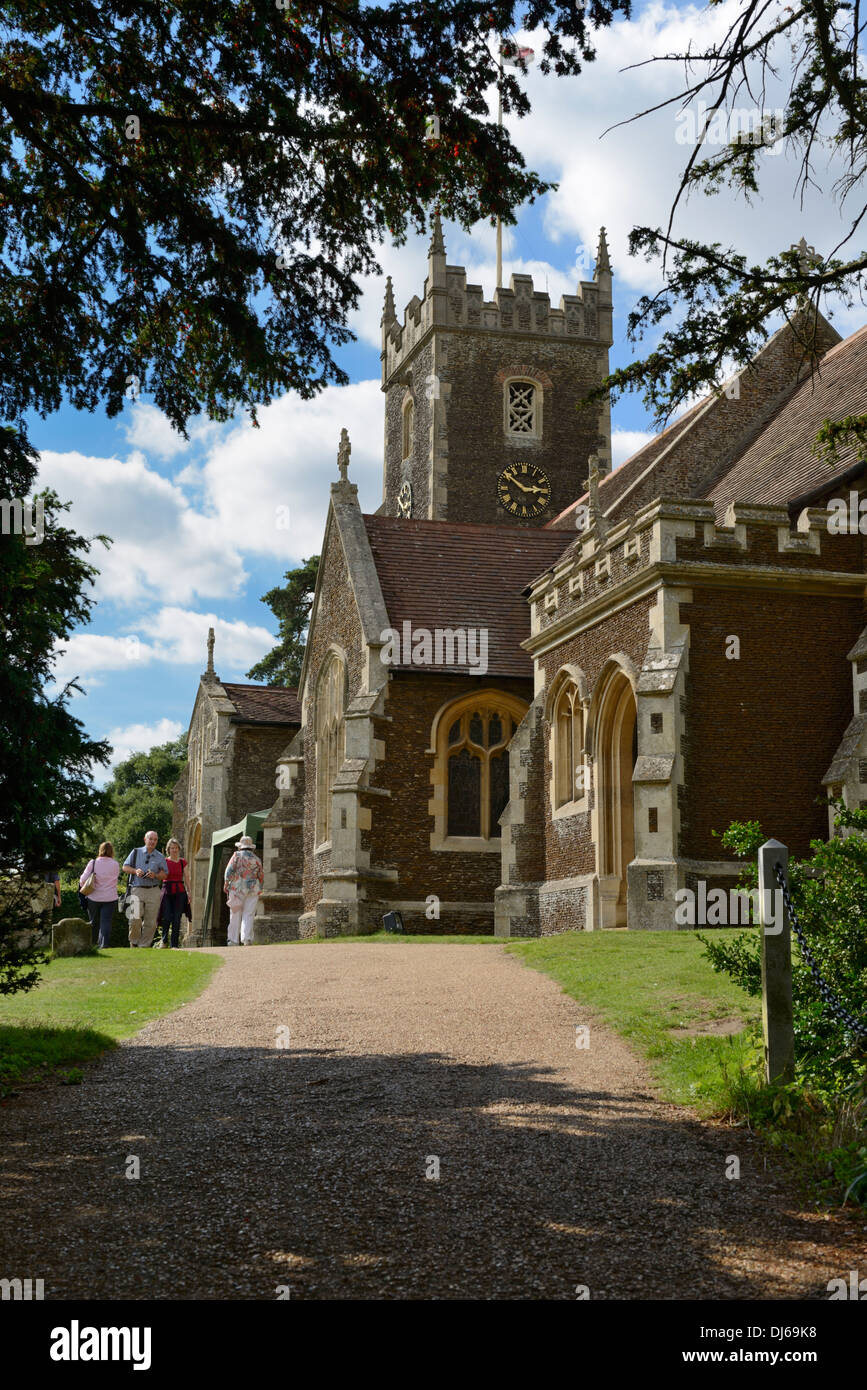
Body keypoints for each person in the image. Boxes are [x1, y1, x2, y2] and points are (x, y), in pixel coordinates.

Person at [122, 831, 168, 948]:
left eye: (155, 840)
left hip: (153, 890)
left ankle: (144, 946)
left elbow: (165, 874)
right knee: (134, 918)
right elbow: (125, 867)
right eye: (150, 839)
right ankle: (134, 942)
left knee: (151, 923)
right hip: (137, 889)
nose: (152, 841)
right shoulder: (136, 852)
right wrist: (135, 871)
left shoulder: (160, 856)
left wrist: (155, 875)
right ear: (145, 839)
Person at [223, 834, 263, 946]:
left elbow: (229, 871)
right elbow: (261, 875)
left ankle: (233, 940)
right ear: (251, 847)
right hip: (252, 890)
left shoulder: (236, 856)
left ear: (240, 846)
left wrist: (226, 883)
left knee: (235, 913)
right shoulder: (256, 859)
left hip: (237, 889)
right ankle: (247, 938)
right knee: (249, 914)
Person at [79, 843, 120, 949]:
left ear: (100, 850)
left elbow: (82, 880)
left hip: (94, 897)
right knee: (106, 922)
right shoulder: (115, 864)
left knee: (93, 922)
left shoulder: (93, 863)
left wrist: (86, 887)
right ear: (111, 851)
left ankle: (92, 945)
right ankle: (104, 945)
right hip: (110, 898)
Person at [156, 838, 191, 950]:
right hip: (167, 890)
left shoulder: (183, 862)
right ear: (168, 849)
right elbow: (159, 876)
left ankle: (174, 944)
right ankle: (164, 941)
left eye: (176, 848)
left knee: (177, 918)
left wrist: (189, 892)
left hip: (180, 891)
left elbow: (187, 878)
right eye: (172, 848)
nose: (174, 850)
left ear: (178, 849)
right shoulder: (164, 861)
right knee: (166, 917)